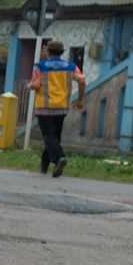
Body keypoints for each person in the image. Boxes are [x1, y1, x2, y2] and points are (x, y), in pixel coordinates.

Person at [28, 40, 86, 176]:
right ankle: (44, 167)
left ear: (48, 51)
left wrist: (29, 85)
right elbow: (82, 81)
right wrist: (80, 99)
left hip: (44, 107)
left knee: (48, 137)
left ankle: (59, 158)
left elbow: (36, 85)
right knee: (54, 137)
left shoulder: (40, 66)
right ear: (62, 52)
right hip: (62, 108)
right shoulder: (71, 66)